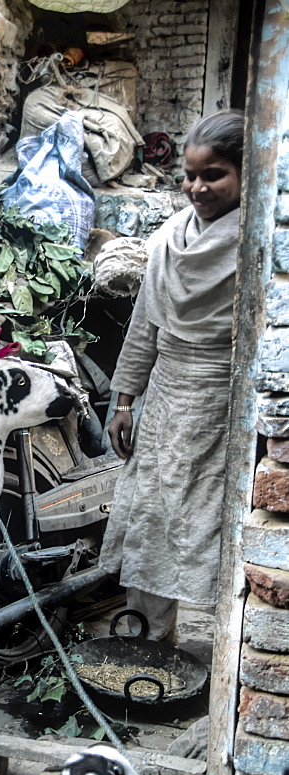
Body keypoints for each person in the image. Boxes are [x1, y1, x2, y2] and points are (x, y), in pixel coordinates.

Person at [98, 109, 244, 641]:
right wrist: (123, 400)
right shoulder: (169, 238)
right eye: (189, 174)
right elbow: (145, 324)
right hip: (163, 398)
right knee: (153, 516)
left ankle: (224, 649)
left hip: (221, 402)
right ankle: (149, 637)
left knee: (210, 521)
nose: (196, 187)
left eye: (214, 175)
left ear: (246, 175)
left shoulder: (257, 245)